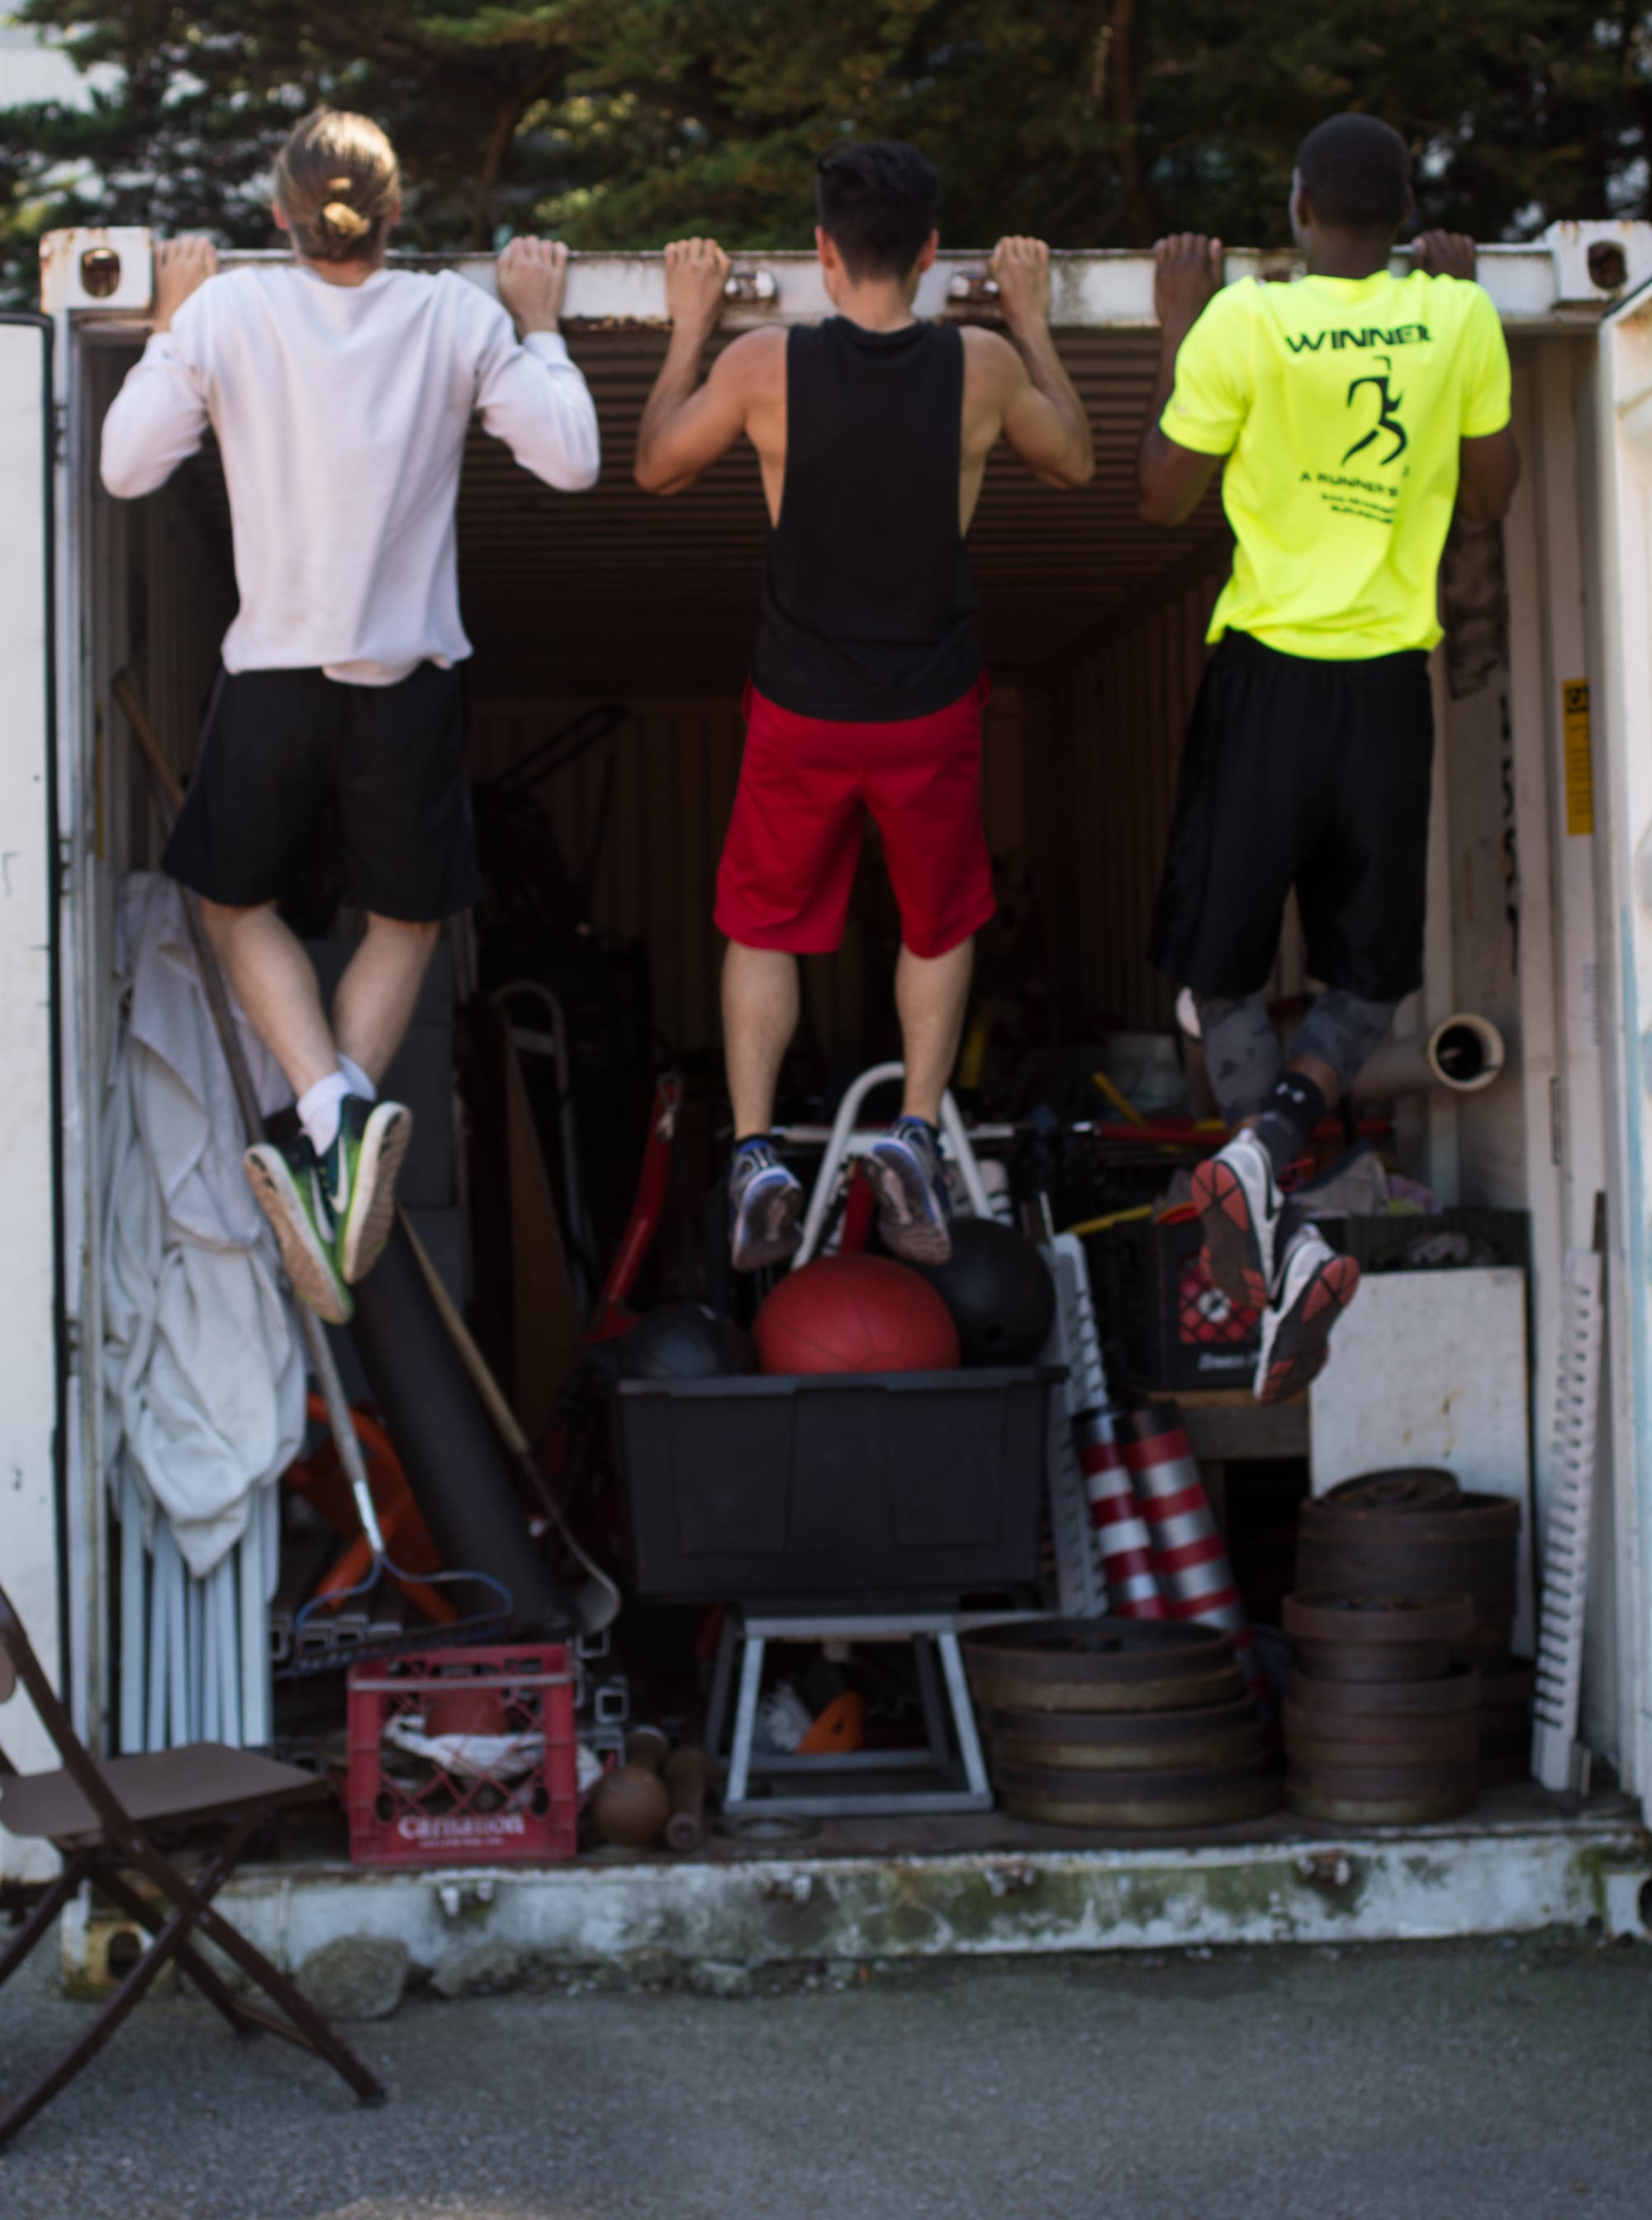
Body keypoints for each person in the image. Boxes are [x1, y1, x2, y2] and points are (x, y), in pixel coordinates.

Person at [101, 108, 601, 1325]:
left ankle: (326, 1109)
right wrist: (540, 329)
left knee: (231, 907)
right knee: (408, 921)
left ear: (278, 214)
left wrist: (172, 324)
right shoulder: (455, 316)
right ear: (395, 213)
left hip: (271, 673)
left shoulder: (228, 314)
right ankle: (341, 1117)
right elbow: (574, 461)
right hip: (408, 683)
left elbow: (122, 467)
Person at [634, 140, 1093, 1270]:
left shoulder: (759, 366)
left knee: (761, 923)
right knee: (939, 921)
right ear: (932, 256)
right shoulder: (981, 365)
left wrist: (690, 323)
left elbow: (654, 465)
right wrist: (1033, 318)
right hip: (929, 703)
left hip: (801, 703)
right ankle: (917, 1130)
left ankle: (752, 1154)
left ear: (824, 255)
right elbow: (1076, 461)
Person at [1138, 112, 1520, 1403]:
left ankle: (1267, 1184)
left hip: (1269, 683)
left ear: (1300, 209)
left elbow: (1159, 495)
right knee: (1366, 986)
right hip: (1386, 695)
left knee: (1215, 972)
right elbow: (1494, 493)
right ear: (1403, 213)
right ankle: (1283, 1200)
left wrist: (1176, 335)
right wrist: (1457, 312)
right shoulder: (1456, 316)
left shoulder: (1244, 323)